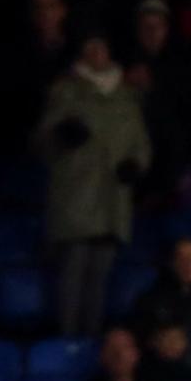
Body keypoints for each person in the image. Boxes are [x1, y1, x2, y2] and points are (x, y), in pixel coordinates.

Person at [38, 34, 153, 337]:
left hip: (112, 199)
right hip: (75, 197)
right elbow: (42, 140)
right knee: (71, 276)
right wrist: (61, 136)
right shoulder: (65, 91)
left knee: (99, 279)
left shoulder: (126, 97)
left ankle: (89, 341)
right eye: (90, 48)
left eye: (101, 47)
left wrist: (136, 165)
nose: (96, 53)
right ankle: (67, 340)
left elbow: (140, 142)